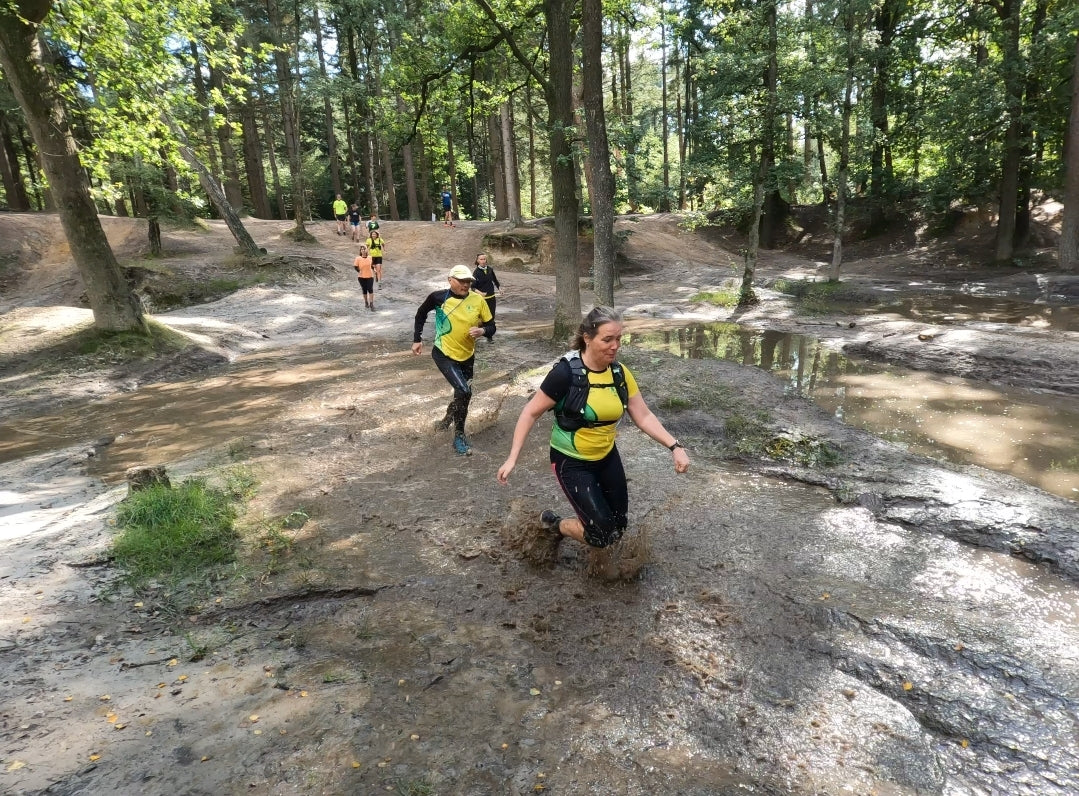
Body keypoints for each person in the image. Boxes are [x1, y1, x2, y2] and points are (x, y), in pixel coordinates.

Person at [496, 306, 690, 552]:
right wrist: (513, 458)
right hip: (571, 462)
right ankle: (555, 525)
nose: (615, 346)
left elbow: (643, 415)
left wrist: (675, 446)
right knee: (602, 533)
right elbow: (530, 412)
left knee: (618, 527)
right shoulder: (565, 374)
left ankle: (587, 546)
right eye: (607, 339)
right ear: (587, 338)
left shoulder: (619, 373)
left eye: (619, 338)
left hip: (606, 456)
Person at [412, 264, 496, 456]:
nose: (466, 284)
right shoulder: (438, 298)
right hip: (443, 353)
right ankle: (459, 436)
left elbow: (492, 326)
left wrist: (482, 330)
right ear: (451, 280)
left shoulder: (478, 300)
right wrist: (417, 339)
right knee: (463, 390)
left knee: (464, 394)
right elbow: (420, 314)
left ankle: (446, 420)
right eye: (462, 281)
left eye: (468, 281)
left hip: (467, 356)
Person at [471, 253, 501, 320]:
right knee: (483, 318)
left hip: (492, 297)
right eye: (481, 259)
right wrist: (481, 293)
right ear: (478, 261)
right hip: (482, 299)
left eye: (484, 259)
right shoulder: (476, 273)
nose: (483, 261)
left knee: (492, 316)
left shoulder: (490, 269)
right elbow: (472, 287)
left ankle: (491, 329)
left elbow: (495, 280)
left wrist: (499, 288)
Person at [353, 244, 376, 311]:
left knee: (370, 289)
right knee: (364, 290)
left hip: (370, 276)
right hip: (361, 277)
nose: (363, 250)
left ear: (366, 250)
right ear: (360, 251)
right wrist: (358, 271)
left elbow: (372, 265)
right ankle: (366, 302)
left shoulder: (370, 257)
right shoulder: (358, 258)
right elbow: (355, 266)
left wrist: (374, 270)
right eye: (361, 249)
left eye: (364, 249)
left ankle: (371, 304)